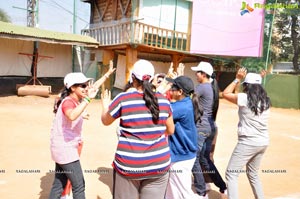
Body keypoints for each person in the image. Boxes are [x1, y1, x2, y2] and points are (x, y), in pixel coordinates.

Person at [100, 59, 175, 199]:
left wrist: (105, 106)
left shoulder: (123, 99)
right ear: (152, 79)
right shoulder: (164, 100)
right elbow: (171, 130)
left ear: (133, 78)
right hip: (159, 164)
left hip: (129, 166)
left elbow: (106, 121)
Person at [49, 65, 115, 199]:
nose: (87, 88)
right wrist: (87, 99)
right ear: (72, 88)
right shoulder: (68, 102)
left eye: (86, 85)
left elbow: (94, 87)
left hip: (61, 149)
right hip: (66, 150)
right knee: (79, 185)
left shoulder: (74, 99)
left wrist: (107, 74)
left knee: (59, 184)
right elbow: (72, 115)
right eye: (83, 86)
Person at [222, 68, 271, 199]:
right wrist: (257, 78)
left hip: (248, 142)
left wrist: (237, 78)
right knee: (253, 173)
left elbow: (225, 93)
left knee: (231, 173)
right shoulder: (266, 100)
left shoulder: (244, 98)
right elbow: (251, 91)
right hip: (263, 142)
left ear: (247, 86)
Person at [191, 61, 227, 198]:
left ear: (204, 74)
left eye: (198, 72)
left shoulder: (202, 87)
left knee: (194, 158)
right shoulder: (211, 87)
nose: (196, 74)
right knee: (204, 159)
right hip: (210, 126)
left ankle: (201, 190)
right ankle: (222, 186)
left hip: (201, 128)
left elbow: (188, 100)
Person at [164, 76, 203, 199]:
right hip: (182, 154)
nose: (170, 90)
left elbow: (159, 112)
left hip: (182, 157)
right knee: (172, 192)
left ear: (180, 92)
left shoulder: (181, 107)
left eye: (172, 88)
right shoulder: (185, 103)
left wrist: (159, 91)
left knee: (185, 194)